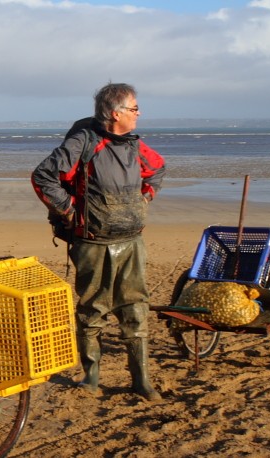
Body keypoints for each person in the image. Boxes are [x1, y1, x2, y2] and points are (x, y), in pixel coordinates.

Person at [31, 82, 165, 401]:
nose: (138, 113)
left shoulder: (134, 145)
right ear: (115, 113)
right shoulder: (84, 141)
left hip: (132, 242)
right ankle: (91, 378)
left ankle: (141, 380)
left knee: (135, 310)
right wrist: (71, 213)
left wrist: (144, 199)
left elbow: (157, 170)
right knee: (93, 311)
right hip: (93, 244)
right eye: (133, 108)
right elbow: (44, 177)